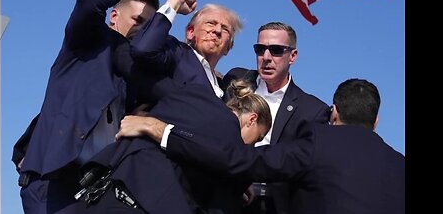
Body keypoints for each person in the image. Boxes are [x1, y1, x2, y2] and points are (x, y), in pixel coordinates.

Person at [13, 0, 178, 214]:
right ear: (114, 17)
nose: (141, 31)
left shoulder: (138, 72)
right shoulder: (85, 42)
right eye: (137, 20)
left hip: (97, 187)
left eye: (148, 27)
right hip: (54, 182)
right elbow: (91, 0)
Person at [117, 78, 406, 214]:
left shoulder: (319, 141)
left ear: (334, 113)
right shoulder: (399, 165)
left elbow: (240, 160)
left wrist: (162, 130)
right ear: (376, 121)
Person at [77, 78, 272, 213]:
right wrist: (237, 182)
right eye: (257, 138)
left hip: (105, 190)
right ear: (252, 119)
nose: (251, 145)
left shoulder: (194, 94)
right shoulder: (232, 144)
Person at [221, 21, 331, 213]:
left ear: (293, 56)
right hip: (222, 192)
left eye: (276, 50)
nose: (266, 57)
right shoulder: (235, 79)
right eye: (260, 49)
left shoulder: (312, 110)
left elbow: (304, 168)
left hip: (272, 204)